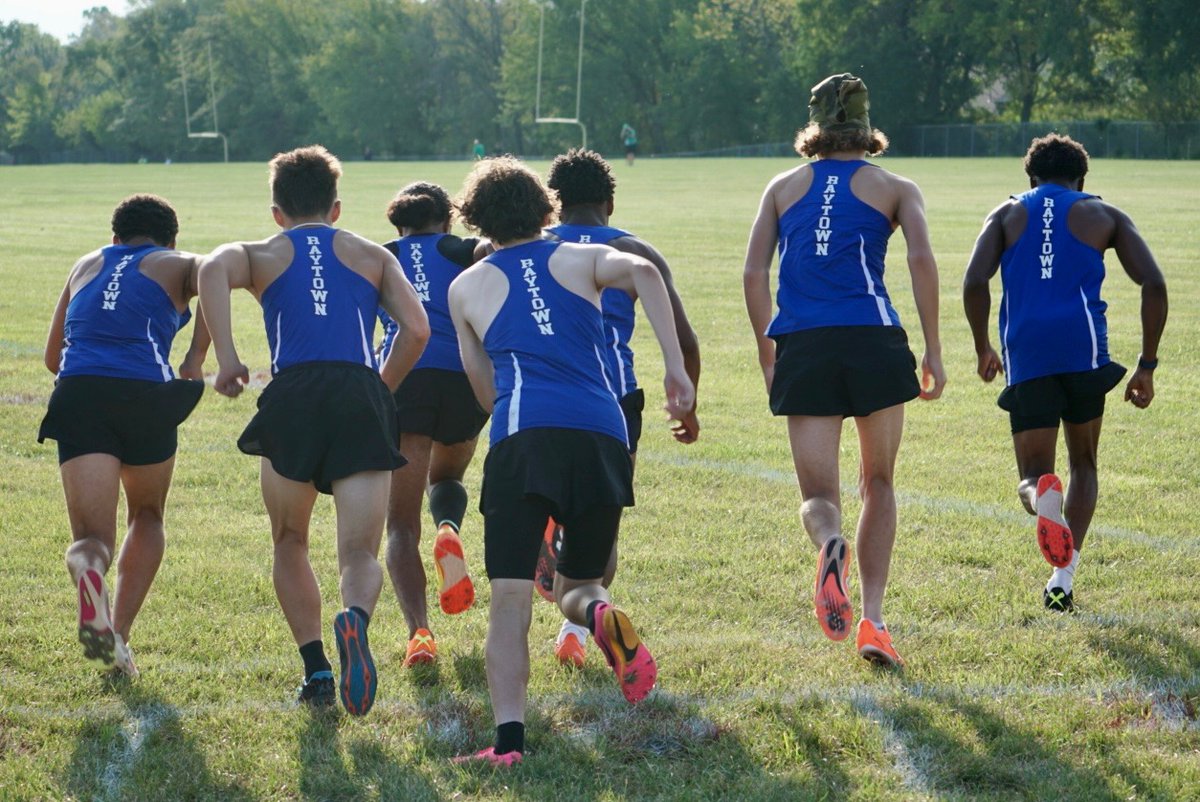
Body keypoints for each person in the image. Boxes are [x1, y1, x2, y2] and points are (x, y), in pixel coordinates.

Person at [447, 156, 694, 765]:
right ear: (544, 208)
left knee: (509, 600)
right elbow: (643, 271)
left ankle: (508, 744)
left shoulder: (465, 287)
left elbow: (484, 391)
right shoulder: (580, 258)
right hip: (602, 433)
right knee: (578, 584)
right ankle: (600, 612)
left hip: (523, 436)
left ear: (476, 220)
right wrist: (674, 369)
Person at [197, 145, 430, 714]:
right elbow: (418, 329)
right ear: (336, 208)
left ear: (277, 210)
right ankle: (355, 618)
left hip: (294, 395)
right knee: (359, 551)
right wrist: (381, 387)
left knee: (290, 540)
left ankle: (318, 671)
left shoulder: (262, 252)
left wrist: (226, 359)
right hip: (357, 394)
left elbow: (207, 269)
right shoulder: (371, 254)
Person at [742, 73, 945, 669]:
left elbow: (754, 274)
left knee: (818, 494)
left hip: (803, 341)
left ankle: (830, 543)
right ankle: (874, 621)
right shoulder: (896, 187)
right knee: (877, 482)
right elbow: (921, 259)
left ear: (816, 126)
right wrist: (932, 347)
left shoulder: (781, 187)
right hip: (875, 340)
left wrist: (766, 350)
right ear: (864, 124)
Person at [963, 133, 1167, 612]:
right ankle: (1063, 576)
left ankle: (1041, 499)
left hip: (1027, 351)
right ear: (1082, 180)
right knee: (1084, 464)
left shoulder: (1007, 213)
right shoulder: (1105, 215)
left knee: (1033, 474)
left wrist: (982, 348)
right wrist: (1147, 364)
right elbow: (1153, 282)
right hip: (1083, 349)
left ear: (1030, 178)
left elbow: (974, 281)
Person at [539, 147, 701, 668]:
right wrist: (687, 401)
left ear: (553, 203)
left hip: (542, 398)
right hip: (614, 399)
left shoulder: (531, 246)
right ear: (610, 201)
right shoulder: (633, 249)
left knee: (539, 492)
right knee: (600, 520)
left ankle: (548, 522)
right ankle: (577, 627)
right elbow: (685, 339)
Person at [39, 194, 206, 678]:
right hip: (144, 395)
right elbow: (216, 279)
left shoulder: (85, 263)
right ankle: (118, 637)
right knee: (148, 515)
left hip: (78, 391)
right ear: (172, 240)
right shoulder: (177, 263)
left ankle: (89, 571)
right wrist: (195, 357)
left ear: (114, 239)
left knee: (92, 539)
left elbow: (53, 358)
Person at [375, 182, 492, 668]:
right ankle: (448, 526)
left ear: (398, 224)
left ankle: (419, 633)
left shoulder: (380, 256)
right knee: (446, 478)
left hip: (406, 379)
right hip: (466, 379)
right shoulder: (466, 250)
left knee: (400, 525)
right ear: (446, 220)